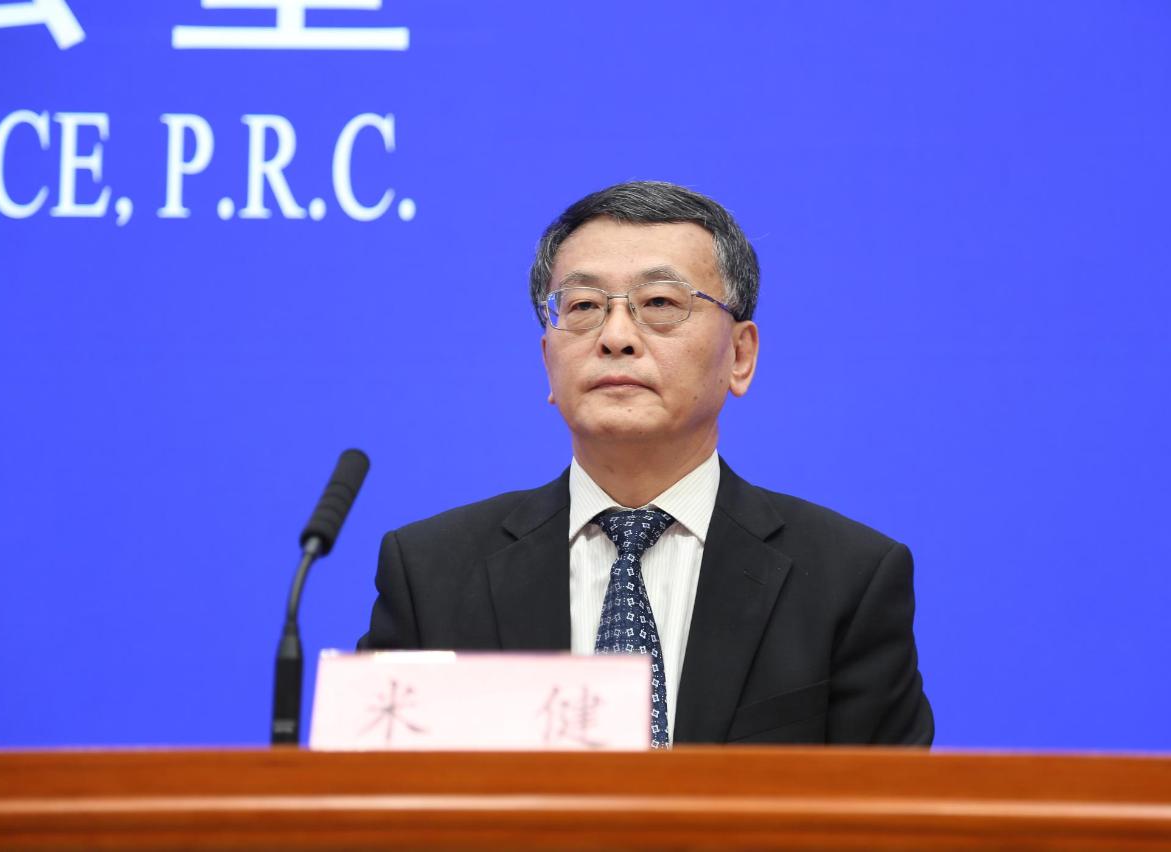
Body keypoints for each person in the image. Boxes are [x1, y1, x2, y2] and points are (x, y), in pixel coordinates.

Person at [360, 181, 934, 746]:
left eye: (660, 303)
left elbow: (887, 805)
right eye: (583, 306)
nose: (616, 337)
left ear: (740, 355)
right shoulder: (431, 575)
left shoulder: (847, 580)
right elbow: (371, 793)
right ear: (547, 362)